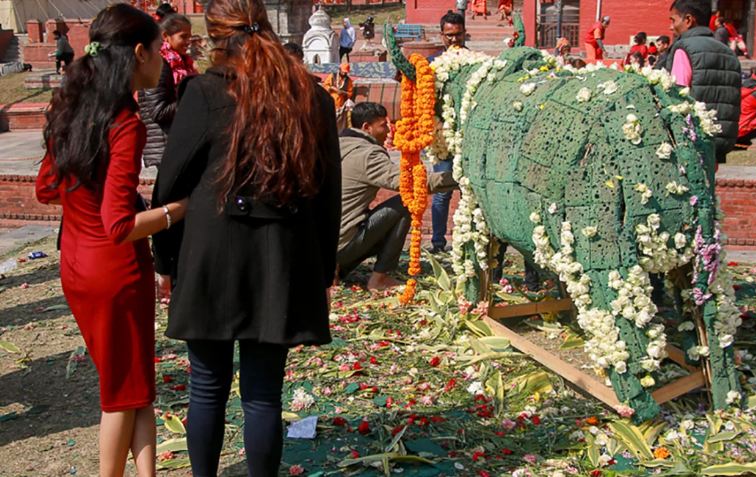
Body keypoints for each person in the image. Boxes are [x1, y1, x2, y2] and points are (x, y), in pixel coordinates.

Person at [151, 0, 341, 475]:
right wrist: (322, 268)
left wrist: (164, 261)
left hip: (212, 249)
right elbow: (327, 192)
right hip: (281, 254)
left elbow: (170, 182)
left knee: (208, 386)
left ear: (215, 35)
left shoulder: (205, 91)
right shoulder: (310, 94)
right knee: (262, 395)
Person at [35, 5, 189, 476]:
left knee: (137, 385)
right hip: (115, 270)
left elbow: (45, 188)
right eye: (160, 51)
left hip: (77, 263)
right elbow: (119, 225)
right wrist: (180, 208)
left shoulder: (71, 108)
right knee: (120, 396)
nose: (164, 62)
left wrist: (94, 189)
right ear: (139, 53)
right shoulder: (124, 123)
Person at [338, 102, 456, 289]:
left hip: (320, 252)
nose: (388, 131)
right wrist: (461, 177)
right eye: (383, 125)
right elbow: (415, 183)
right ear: (366, 128)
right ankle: (379, 279)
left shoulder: (335, 145)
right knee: (407, 201)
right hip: (341, 247)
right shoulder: (368, 155)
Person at [666, 0, 741, 165]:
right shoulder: (729, 53)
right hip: (719, 142)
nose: (671, 27)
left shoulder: (683, 49)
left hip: (691, 139)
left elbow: (677, 96)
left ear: (688, 20)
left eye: (673, 20)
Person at [138, 14, 197, 168]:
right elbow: (158, 111)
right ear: (166, 36)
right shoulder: (158, 65)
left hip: (175, 143)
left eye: (189, 37)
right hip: (164, 146)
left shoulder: (182, 62)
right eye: (183, 37)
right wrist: (191, 102)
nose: (188, 42)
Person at [430, 11, 466, 254]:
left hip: (468, 138)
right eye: (449, 35)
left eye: (458, 35)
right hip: (442, 139)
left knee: (469, 194)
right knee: (442, 193)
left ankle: (467, 242)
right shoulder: (432, 63)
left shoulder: (476, 62)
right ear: (441, 35)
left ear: (464, 33)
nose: (454, 40)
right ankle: (438, 243)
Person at [325, 63, 354, 131]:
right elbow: (325, 86)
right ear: (340, 70)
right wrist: (333, 88)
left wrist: (342, 92)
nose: (344, 74)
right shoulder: (332, 76)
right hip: (330, 104)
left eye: (345, 72)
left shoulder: (348, 80)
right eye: (343, 72)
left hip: (341, 106)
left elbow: (350, 93)